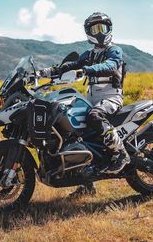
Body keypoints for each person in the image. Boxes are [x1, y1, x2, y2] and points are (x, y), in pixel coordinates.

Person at [41, 12, 130, 197]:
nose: (98, 32)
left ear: (109, 29)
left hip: (111, 97)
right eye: (94, 28)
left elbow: (111, 66)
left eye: (102, 28)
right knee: (75, 136)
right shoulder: (89, 54)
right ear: (88, 32)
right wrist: (51, 71)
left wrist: (86, 70)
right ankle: (86, 185)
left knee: (94, 116)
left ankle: (120, 153)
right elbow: (73, 64)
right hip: (90, 99)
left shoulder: (115, 51)